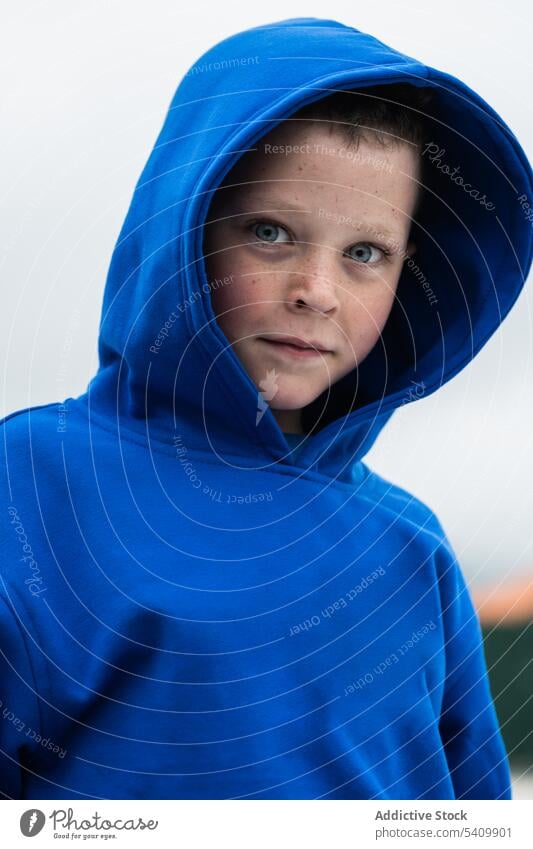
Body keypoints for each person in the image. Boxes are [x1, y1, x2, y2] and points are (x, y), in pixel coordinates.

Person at [1, 16, 531, 801]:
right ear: (183, 226)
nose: (316, 291)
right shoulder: (33, 484)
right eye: (270, 232)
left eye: (363, 253)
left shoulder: (411, 548)